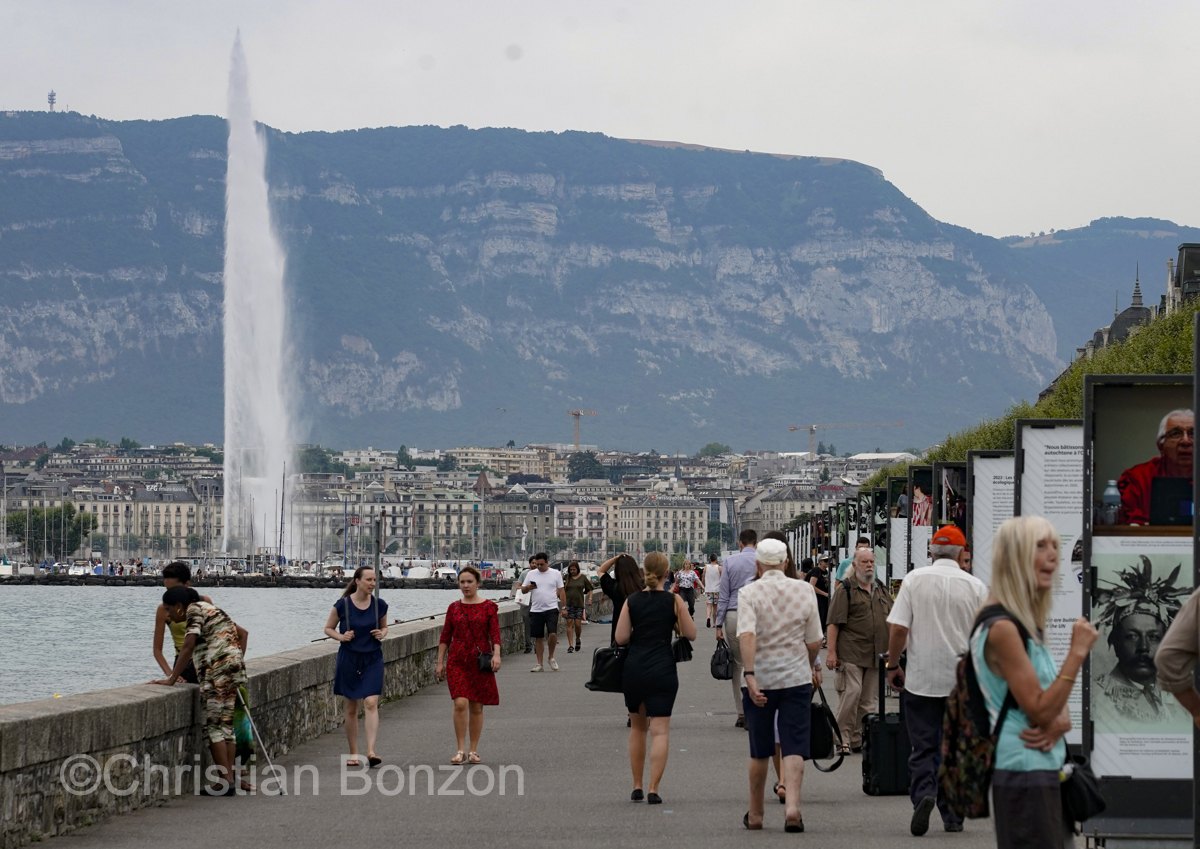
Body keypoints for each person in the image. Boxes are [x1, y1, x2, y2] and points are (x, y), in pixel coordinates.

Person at [972, 515, 1097, 849]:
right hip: (1025, 770)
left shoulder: (1020, 622)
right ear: (1014, 557)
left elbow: (1049, 697)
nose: (1053, 555)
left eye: (1055, 545)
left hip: (1041, 768)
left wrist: (1061, 719)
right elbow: (1041, 708)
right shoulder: (1002, 627)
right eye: (1040, 546)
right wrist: (1077, 652)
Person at [885, 524, 987, 836]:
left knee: (923, 746)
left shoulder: (914, 580)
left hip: (922, 679)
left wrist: (893, 665)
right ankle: (953, 814)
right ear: (962, 553)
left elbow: (899, 628)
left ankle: (924, 794)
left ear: (931, 551)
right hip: (962, 683)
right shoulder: (976, 587)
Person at [737, 539, 823, 832]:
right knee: (794, 744)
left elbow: (747, 634)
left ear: (758, 565)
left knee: (760, 747)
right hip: (795, 678)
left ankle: (756, 813)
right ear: (786, 563)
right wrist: (807, 664)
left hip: (761, 678)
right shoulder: (804, 590)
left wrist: (750, 675)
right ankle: (793, 808)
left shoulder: (749, 592)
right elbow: (814, 640)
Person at [615, 551, 697, 804]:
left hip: (635, 667)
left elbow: (621, 638)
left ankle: (636, 785)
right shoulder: (674, 601)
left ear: (644, 572)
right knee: (660, 732)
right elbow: (691, 634)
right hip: (663, 668)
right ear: (667, 573)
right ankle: (653, 789)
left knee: (638, 730)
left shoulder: (631, 601)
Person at [151, 586, 251, 793]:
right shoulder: (211, 609)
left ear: (180, 606)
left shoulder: (194, 611)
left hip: (215, 672)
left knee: (213, 726)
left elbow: (188, 646)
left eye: (169, 610)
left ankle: (225, 781)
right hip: (232, 669)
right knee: (226, 725)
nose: (168, 616)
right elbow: (242, 633)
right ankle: (229, 778)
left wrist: (171, 679)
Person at [1093, 555, 1189, 730]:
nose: (1143, 647)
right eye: (1132, 636)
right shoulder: (1097, 699)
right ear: (1116, 642)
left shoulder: (1180, 698)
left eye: (1153, 637)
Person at [826, 547, 892, 753]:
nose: (869, 565)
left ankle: (857, 739)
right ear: (854, 565)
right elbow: (833, 622)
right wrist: (831, 652)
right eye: (865, 562)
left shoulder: (880, 588)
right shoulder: (845, 589)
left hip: (876, 654)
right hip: (851, 652)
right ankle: (841, 738)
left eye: (871, 561)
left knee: (868, 701)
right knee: (851, 694)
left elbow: (892, 618)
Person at [322, 566, 389, 768]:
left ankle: (371, 751)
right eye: (369, 580)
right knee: (351, 707)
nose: (373, 584)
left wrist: (382, 633)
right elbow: (328, 628)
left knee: (371, 702)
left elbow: (385, 627)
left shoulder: (379, 605)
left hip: (372, 658)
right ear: (357, 581)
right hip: (349, 658)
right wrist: (341, 637)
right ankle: (353, 753)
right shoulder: (342, 605)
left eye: (374, 580)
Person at [436, 565, 501, 765]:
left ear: (478, 583)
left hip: (479, 661)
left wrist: (497, 654)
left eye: (469, 582)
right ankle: (460, 750)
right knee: (460, 703)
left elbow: (495, 634)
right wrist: (440, 662)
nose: (465, 585)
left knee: (476, 706)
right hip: (457, 660)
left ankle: (473, 750)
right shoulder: (453, 608)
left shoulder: (489, 607)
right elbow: (445, 636)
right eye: (462, 582)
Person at [1118, 409, 1194, 524]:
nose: (1186, 441)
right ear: (1161, 446)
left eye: (1193, 433)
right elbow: (1127, 518)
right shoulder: (1136, 479)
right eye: (1176, 434)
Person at [716, 529, 759, 728]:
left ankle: (741, 712)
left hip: (734, 613)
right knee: (757, 662)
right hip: (757, 614)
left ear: (740, 544)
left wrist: (718, 624)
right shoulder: (762, 561)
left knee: (738, 664)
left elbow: (723, 595)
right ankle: (756, 708)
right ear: (756, 543)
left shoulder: (730, 562)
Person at [153, 561, 218, 684]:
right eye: (167, 590)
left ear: (187, 584)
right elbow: (157, 650)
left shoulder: (204, 602)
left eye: (174, 589)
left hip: (206, 662)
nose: (170, 594)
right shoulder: (163, 610)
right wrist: (170, 674)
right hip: (183, 666)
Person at [518, 552, 565, 672]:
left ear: (547, 563)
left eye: (541, 564)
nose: (538, 567)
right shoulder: (531, 574)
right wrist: (528, 587)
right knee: (538, 637)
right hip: (536, 609)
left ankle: (551, 657)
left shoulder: (555, 573)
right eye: (537, 564)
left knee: (552, 634)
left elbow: (561, 591)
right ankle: (539, 664)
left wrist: (564, 607)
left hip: (551, 608)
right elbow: (522, 590)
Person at [599, 553, 645, 644]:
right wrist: (630, 559)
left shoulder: (614, 587)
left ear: (617, 571)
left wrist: (616, 558)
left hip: (619, 633)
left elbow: (601, 571)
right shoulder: (643, 586)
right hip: (641, 634)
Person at [562, 561, 594, 654]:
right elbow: (561, 589)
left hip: (579, 604)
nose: (572, 571)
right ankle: (571, 645)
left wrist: (590, 599)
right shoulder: (566, 578)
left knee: (577, 624)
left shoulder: (582, 578)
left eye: (574, 569)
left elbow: (590, 589)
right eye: (571, 570)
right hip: (568, 604)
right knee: (569, 623)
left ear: (577, 569)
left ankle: (578, 638)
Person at [511, 555, 535, 654]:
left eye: (536, 563)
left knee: (537, 624)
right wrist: (527, 588)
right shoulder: (524, 573)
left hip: (537, 602)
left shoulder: (541, 574)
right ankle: (528, 645)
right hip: (526, 602)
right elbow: (518, 587)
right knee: (527, 624)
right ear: (529, 564)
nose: (534, 565)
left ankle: (536, 644)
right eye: (532, 563)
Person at [802, 556, 830, 629]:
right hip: (818, 598)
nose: (827, 562)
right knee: (820, 617)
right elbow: (812, 586)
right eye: (825, 560)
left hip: (823, 598)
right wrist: (825, 594)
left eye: (828, 560)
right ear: (820, 562)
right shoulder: (816, 570)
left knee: (824, 617)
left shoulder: (826, 571)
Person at [703, 552, 721, 628]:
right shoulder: (719, 568)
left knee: (709, 605)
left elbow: (703, 578)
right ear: (716, 559)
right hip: (717, 589)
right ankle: (714, 622)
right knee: (715, 606)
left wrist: (704, 585)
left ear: (710, 559)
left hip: (708, 589)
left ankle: (708, 617)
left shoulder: (706, 567)